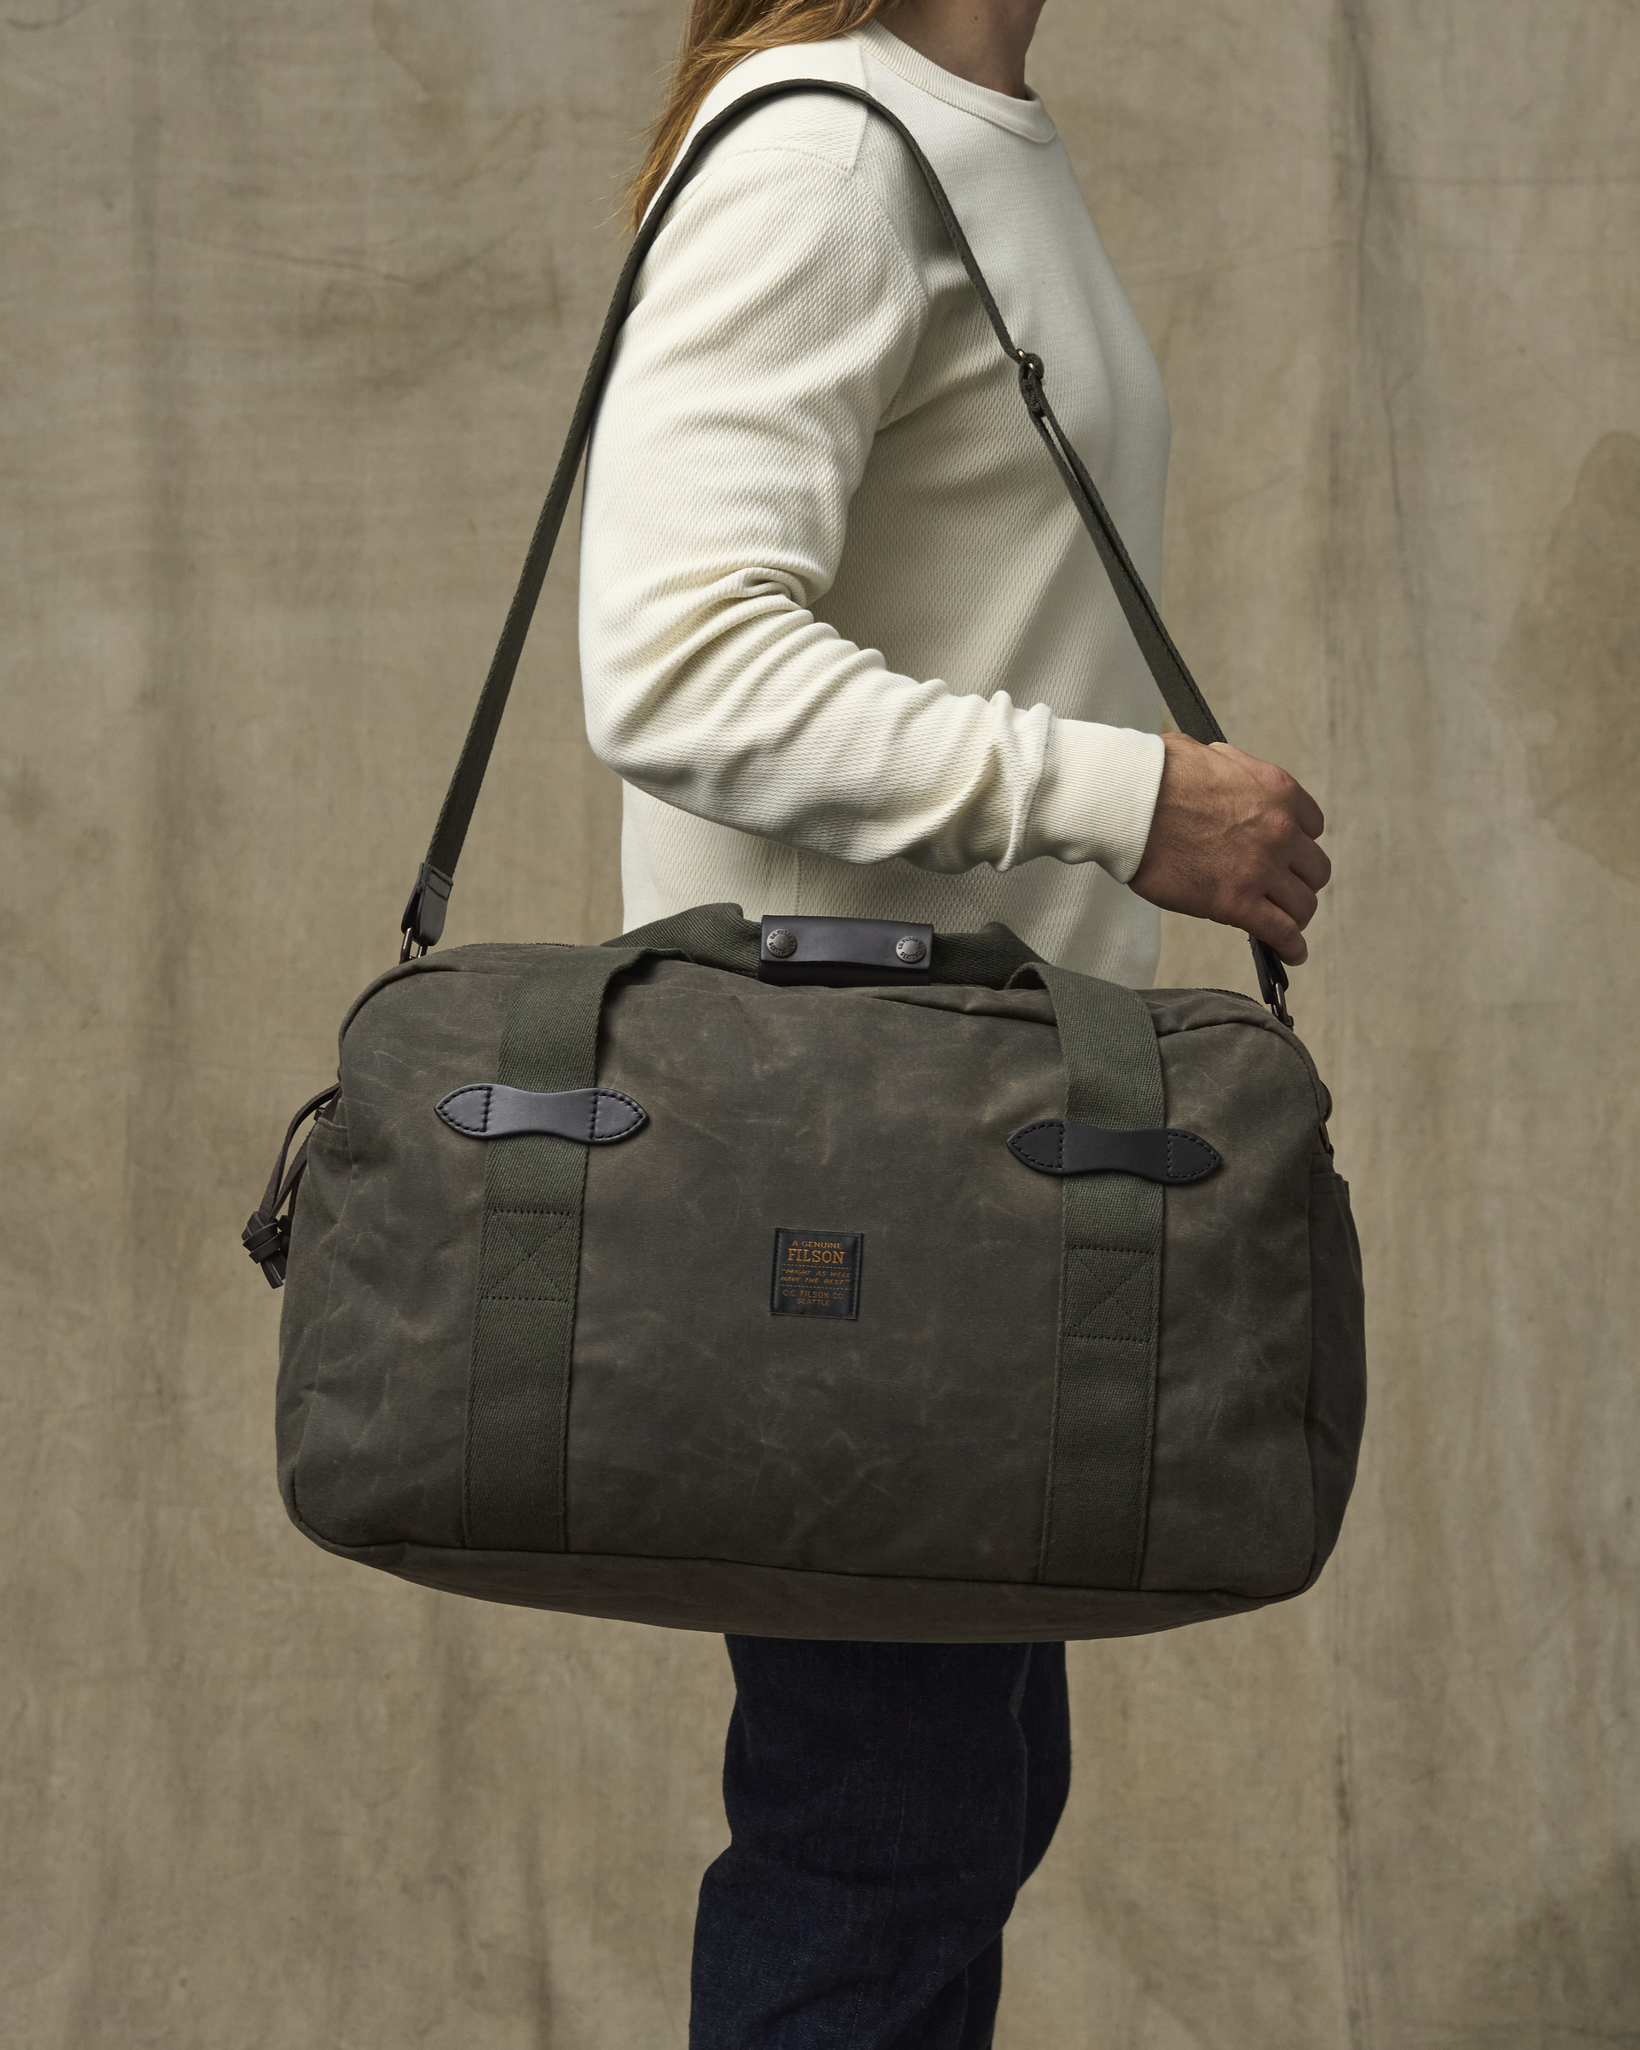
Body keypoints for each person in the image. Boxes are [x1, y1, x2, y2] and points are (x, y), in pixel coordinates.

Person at [578, 2, 1330, 2042]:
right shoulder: (826, 148)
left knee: (942, 1810)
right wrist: (1129, 798)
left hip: (973, 1161)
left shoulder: (971, 136)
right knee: (880, 1837)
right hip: (848, 1185)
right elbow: (674, 659)